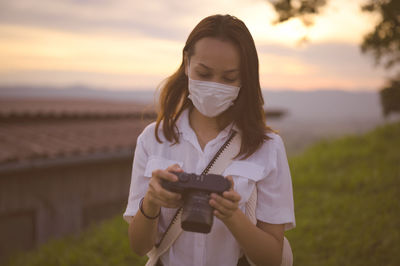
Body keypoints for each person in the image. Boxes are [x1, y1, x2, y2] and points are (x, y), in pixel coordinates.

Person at [123, 14, 295, 266]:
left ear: (245, 78)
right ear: (186, 64)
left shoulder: (267, 146)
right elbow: (139, 247)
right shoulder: (153, 138)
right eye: (203, 73)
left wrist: (232, 215)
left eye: (228, 78)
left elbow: (271, 258)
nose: (214, 86)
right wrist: (151, 201)